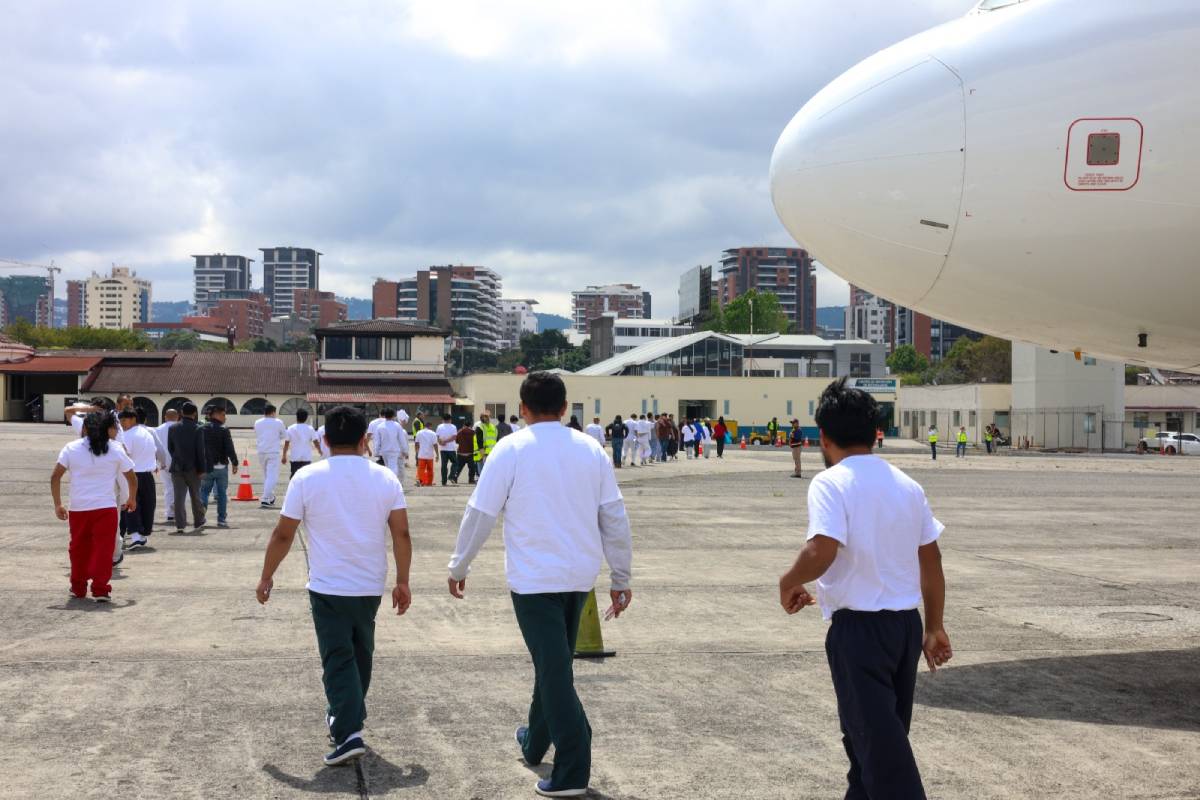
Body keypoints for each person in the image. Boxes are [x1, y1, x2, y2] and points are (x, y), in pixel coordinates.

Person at [447, 372, 633, 798]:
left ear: (523, 409)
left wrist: (459, 567)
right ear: (565, 408)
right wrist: (620, 576)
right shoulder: (591, 449)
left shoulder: (510, 449)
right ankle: (534, 742)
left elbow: (480, 514)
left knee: (553, 671)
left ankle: (572, 768)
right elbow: (614, 518)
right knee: (552, 665)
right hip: (578, 578)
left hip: (533, 581)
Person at [777, 377, 952, 800]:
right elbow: (931, 560)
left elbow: (822, 549)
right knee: (870, 750)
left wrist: (788, 581)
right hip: (905, 631)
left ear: (823, 435)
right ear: (876, 431)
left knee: (884, 758)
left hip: (859, 633)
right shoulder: (908, 485)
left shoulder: (831, 482)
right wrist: (935, 627)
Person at [256, 405, 412, 766]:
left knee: (337, 658)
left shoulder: (307, 478)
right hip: (370, 584)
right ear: (364, 440)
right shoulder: (385, 478)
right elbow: (401, 532)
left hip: (328, 586)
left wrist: (267, 575)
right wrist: (403, 580)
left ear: (323, 440)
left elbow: (283, 534)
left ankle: (348, 731)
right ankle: (347, 717)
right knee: (360, 653)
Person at [51, 411, 137, 601]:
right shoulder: (115, 448)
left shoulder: (71, 448)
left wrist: (58, 504)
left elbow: (55, 476)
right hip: (105, 508)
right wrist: (132, 498)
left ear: (85, 429)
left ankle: (78, 587)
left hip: (79, 508)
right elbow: (132, 477)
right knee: (104, 549)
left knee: (78, 548)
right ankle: (100, 589)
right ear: (107, 429)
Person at [118, 408, 165, 550]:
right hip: (148, 475)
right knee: (147, 505)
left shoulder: (127, 436)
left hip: (132, 475)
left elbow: (124, 456)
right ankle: (143, 533)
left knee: (131, 506)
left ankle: (136, 536)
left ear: (133, 419)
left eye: (124, 420)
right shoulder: (147, 433)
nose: (122, 424)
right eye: (120, 421)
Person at [168, 402, 208, 533]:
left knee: (179, 497)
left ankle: (180, 524)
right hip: (193, 468)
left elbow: (171, 448)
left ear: (181, 412)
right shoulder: (198, 428)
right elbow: (200, 451)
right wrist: (202, 469)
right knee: (195, 495)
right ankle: (199, 521)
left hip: (177, 467)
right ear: (195, 413)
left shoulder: (173, 428)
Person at [199, 405, 238, 529]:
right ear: (217, 415)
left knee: (204, 491)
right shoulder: (224, 429)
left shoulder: (201, 429)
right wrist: (235, 462)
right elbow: (229, 448)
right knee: (222, 494)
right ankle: (221, 519)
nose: (225, 417)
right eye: (223, 414)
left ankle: (202, 511)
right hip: (221, 467)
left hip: (206, 466)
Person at [255, 405, 288, 507]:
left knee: (266, 476)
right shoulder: (278, 422)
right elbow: (284, 435)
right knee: (272, 476)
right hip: (273, 452)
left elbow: (258, 433)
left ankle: (270, 496)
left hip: (261, 451)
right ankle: (265, 498)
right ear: (273, 412)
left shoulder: (257, 422)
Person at [154, 408, 179, 525]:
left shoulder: (158, 429)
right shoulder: (180, 427)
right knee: (181, 487)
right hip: (179, 463)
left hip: (163, 462)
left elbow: (155, 447)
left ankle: (170, 514)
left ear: (165, 417)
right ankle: (179, 510)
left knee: (168, 487)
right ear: (177, 417)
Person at [284, 408, 320, 477]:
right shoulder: (310, 428)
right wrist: (320, 451)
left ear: (296, 417)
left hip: (295, 457)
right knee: (305, 476)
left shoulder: (290, 428)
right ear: (306, 418)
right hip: (306, 457)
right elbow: (315, 442)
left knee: (294, 476)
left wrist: (284, 456)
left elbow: (286, 444)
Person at [376, 408, 409, 482]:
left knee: (388, 467)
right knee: (393, 466)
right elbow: (402, 440)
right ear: (393, 416)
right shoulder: (397, 425)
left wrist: (376, 451)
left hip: (384, 450)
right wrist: (405, 450)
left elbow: (377, 441)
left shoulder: (380, 426)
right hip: (394, 450)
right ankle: (393, 482)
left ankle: (389, 482)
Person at [436, 413, 460, 486]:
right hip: (451, 449)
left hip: (443, 449)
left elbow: (437, 437)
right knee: (455, 463)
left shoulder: (439, 426)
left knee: (444, 465)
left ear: (443, 419)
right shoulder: (453, 427)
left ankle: (444, 481)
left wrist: (441, 442)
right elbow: (454, 437)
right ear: (450, 419)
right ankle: (451, 476)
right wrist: (445, 441)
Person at [452, 418, 478, 484]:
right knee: (472, 468)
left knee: (458, 467)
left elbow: (456, 441)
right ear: (470, 425)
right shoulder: (473, 432)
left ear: (464, 425)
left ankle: (455, 478)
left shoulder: (460, 431)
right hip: (470, 453)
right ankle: (471, 480)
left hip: (461, 452)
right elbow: (475, 441)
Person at [414, 422, 439, 487]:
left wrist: (416, 452)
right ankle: (429, 483)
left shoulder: (419, 432)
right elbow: (435, 445)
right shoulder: (433, 433)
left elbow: (416, 443)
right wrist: (437, 454)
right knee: (430, 469)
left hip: (421, 454)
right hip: (430, 455)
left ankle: (420, 481)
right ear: (430, 426)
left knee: (421, 469)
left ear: (424, 426)